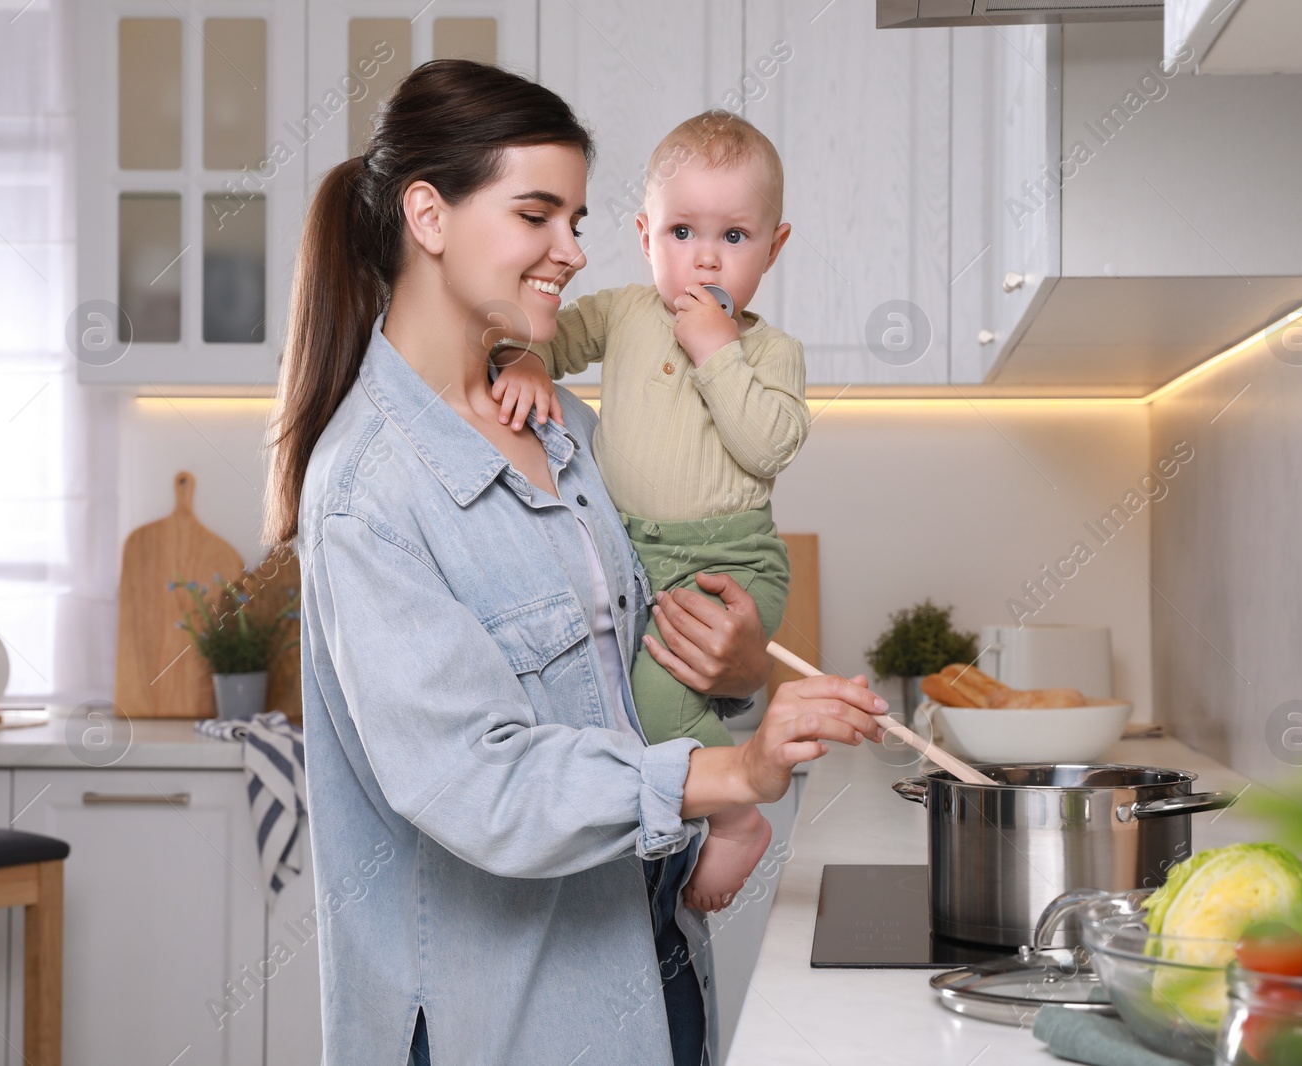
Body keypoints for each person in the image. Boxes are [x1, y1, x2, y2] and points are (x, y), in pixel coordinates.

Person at [262, 59, 886, 1066]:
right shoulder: (368, 490)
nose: (572, 251)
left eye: (579, 220)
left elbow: (638, 686)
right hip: (500, 1023)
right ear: (429, 216)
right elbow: (476, 778)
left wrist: (734, 672)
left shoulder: (573, 439)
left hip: (646, 962)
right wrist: (735, 770)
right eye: (537, 216)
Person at [487, 111, 804, 914]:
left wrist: (714, 349)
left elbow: (768, 447)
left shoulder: (769, 351)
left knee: (659, 696)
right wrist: (525, 361)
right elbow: (541, 337)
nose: (705, 255)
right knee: (633, 705)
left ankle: (735, 819)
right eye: (683, 231)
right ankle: (693, 827)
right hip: (639, 558)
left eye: (734, 236)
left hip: (732, 560)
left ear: (775, 245)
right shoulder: (624, 312)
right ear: (644, 234)